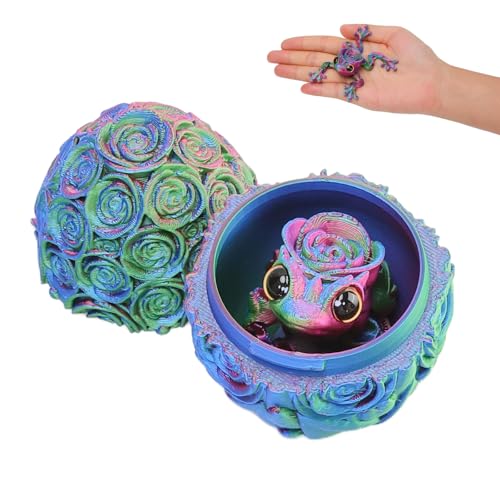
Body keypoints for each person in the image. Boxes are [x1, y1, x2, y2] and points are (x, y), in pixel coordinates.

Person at [267, 24, 500, 135]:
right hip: (348, 60)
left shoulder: (360, 68)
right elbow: (331, 63)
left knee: (363, 64)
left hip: (357, 63)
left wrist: (437, 83)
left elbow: (360, 75)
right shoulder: (338, 64)